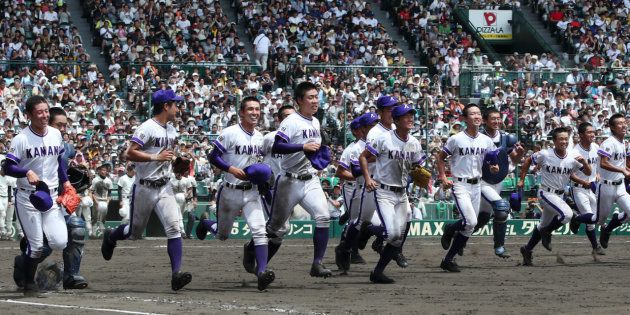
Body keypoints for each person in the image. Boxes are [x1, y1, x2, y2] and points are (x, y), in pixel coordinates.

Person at [100, 89, 192, 291]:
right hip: (144, 188)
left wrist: (176, 161)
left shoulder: (171, 129)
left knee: (174, 228)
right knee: (134, 233)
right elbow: (129, 153)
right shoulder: (147, 127)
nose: (178, 107)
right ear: (165, 106)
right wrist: (155, 158)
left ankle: (176, 274)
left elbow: (167, 154)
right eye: (175, 104)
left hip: (164, 186)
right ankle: (111, 236)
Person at [195, 96, 275, 291]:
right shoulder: (230, 133)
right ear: (241, 112)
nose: (254, 113)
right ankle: (206, 222)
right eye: (250, 109)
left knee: (259, 231)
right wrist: (230, 169)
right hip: (230, 190)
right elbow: (212, 156)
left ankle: (262, 272)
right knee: (222, 235)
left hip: (251, 193)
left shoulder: (260, 137)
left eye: (257, 109)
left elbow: (261, 165)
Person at [2, 95, 72, 296]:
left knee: (60, 241)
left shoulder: (56, 134)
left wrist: (65, 181)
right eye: (39, 112)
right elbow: (8, 166)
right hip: (27, 197)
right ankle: (29, 284)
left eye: (46, 111)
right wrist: (25, 172)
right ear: (29, 115)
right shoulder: (21, 139)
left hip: (49, 196)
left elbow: (59, 162)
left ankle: (22, 261)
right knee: (36, 246)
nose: (44, 115)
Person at [266, 81, 332, 278]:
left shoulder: (315, 121)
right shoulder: (291, 121)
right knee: (275, 229)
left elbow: (313, 149)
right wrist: (301, 147)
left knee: (323, 216)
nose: (314, 101)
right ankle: (253, 250)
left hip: (310, 179)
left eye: (316, 97)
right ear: (298, 101)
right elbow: (277, 146)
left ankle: (317, 263)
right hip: (289, 181)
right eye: (310, 97)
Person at [359, 104, 425, 283]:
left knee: (397, 239)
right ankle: (369, 229)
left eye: (412, 114)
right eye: (405, 115)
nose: (410, 118)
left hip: (402, 194)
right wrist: (367, 178)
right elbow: (363, 157)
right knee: (393, 233)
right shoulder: (384, 139)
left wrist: (419, 172)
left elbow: (416, 166)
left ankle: (377, 272)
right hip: (384, 192)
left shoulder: (414, 142)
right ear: (396, 120)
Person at [438, 104, 499, 272]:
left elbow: (492, 160)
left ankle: (448, 260)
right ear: (464, 119)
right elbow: (440, 157)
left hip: (477, 184)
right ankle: (450, 229)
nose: (477, 116)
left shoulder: (486, 140)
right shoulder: (456, 139)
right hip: (460, 184)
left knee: (471, 226)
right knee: (471, 221)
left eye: (478, 113)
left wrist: (494, 167)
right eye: (472, 114)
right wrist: (443, 177)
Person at [518, 127, 591, 266]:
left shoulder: (572, 156)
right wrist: (521, 179)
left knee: (543, 225)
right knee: (567, 214)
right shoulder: (545, 154)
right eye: (561, 139)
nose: (564, 141)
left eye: (566, 139)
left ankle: (527, 249)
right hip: (546, 192)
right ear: (554, 141)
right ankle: (547, 232)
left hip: (559, 195)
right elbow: (528, 160)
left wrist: (585, 163)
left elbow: (586, 172)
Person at [358, 96, 409, 269]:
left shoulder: (397, 127)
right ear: (379, 112)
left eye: (395, 107)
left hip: (396, 183)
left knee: (407, 215)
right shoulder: (375, 133)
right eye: (389, 108)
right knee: (363, 221)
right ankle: (364, 235)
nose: (393, 110)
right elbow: (369, 157)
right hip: (376, 181)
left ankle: (395, 248)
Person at [573, 114, 630, 249]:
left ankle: (608, 229)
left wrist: (625, 169)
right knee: (598, 220)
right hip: (606, 187)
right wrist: (622, 170)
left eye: (625, 122)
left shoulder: (622, 142)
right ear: (612, 127)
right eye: (620, 123)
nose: (624, 125)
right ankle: (576, 218)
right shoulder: (609, 143)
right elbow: (603, 163)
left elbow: (621, 164)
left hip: (620, 186)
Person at [474, 108, 524, 258]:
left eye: (498, 118)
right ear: (485, 121)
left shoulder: (506, 138)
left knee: (482, 218)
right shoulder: (479, 137)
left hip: (498, 181)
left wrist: (520, 153)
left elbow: (514, 159)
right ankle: (499, 246)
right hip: (482, 181)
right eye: (493, 119)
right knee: (501, 209)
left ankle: (456, 233)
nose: (496, 121)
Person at [334, 116, 369, 272]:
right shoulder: (351, 149)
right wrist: (358, 176)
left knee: (361, 221)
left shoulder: (373, 144)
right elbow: (339, 172)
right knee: (356, 220)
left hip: (366, 187)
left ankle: (349, 247)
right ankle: (350, 251)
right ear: (356, 131)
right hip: (351, 187)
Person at [568, 122, 605, 255]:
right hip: (579, 188)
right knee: (590, 219)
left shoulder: (595, 146)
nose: (592, 134)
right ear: (581, 135)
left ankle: (577, 218)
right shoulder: (574, 152)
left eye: (593, 132)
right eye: (589, 132)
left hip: (593, 187)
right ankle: (595, 247)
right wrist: (583, 181)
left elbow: (599, 164)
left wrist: (598, 174)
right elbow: (569, 173)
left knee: (596, 218)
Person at [171, 164, 196, 239]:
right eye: (176, 172)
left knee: (191, 216)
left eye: (179, 172)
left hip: (186, 200)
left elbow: (190, 189)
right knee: (179, 215)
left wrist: (187, 195)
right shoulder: (171, 181)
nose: (177, 173)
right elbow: (169, 191)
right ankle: (182, 231)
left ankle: (187, 233)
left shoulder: (186, 180)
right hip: (175, 199)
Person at [91, 164, 112, 237]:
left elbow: (109, 193)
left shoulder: (109, 181)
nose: (103, 172)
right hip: (97, 200)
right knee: (95, 217)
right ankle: (93, 234)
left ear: (106, 171)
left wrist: (108, 201)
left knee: (103, 218)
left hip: (105, 201)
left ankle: (101, 233)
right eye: (102, 170)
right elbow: (92, 192)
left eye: (105, 170)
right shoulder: (95, 180)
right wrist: (95, 201)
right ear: (99, 171)